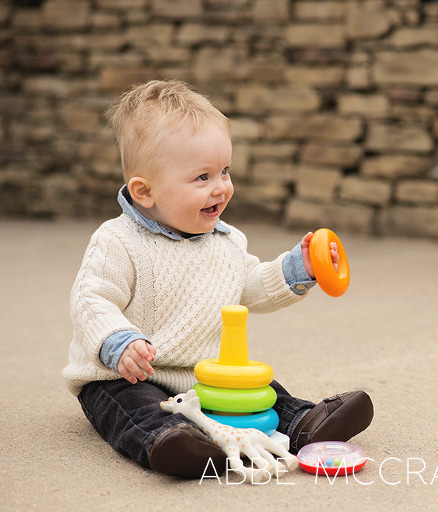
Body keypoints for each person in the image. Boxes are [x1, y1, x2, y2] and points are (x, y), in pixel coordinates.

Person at [62, 79, 373, 478]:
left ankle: (303, 422)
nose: (221, 187)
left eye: (224, 171)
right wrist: (118, 340)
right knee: (134, 406)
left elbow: (250, 288)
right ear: (145, 191)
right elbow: (91, 299)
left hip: (202, 375)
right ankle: (172, 442)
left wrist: (300, 269)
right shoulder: (118, 242)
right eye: (202, 178)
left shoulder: (226, 242)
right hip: (124, 374)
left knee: (259, 391)